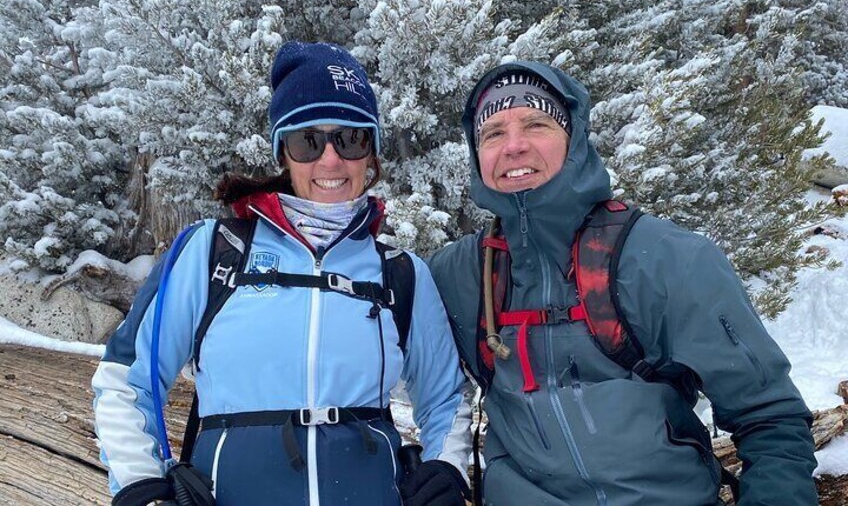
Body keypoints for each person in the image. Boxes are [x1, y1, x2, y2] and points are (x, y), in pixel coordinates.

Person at [92, 41, 472, 506]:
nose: (330, 160)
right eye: (307, 140)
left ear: (370, 153)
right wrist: (139, 485)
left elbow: (445, 398)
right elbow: (125, 379)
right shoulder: (214, 252)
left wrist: (446, 470)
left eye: (351, 138)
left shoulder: (400, 273)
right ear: (282, 153)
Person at [427, 61, 818, 505]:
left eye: (536, 123)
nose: (514, 146)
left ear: (573, 138)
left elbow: (770, 418)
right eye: (493, 132)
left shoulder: (666, 260)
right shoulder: (457, 275)